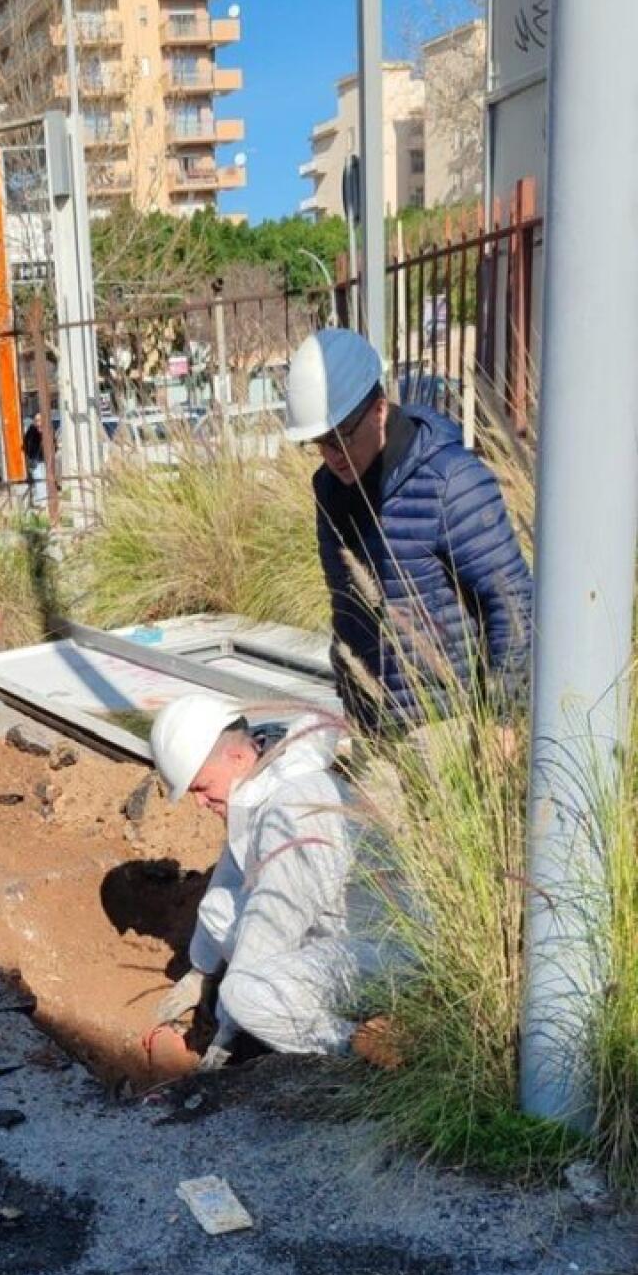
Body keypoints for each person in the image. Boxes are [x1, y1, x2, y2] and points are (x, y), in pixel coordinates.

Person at [284, 327, 532, 736]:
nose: (332, 455)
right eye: (319, 443)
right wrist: (350, 692)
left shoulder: (451, 481)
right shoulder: (328, 488)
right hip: (369, 719)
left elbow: (512, 601)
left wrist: (503, 722)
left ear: (380, 410)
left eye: (342, 437)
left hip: (448, 725)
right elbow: (345, 605)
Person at [142, 694, 357, 1076]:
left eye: (201, 788)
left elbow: (271, 927)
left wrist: (223, 1037)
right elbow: (228, 875)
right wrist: (201, 971)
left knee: (246, 995)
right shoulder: (256, 783)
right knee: (218, 908)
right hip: (321, 926)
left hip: (370, 949)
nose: (200, 803)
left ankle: (357, 1052)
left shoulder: (294, 808)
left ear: (237, 757)